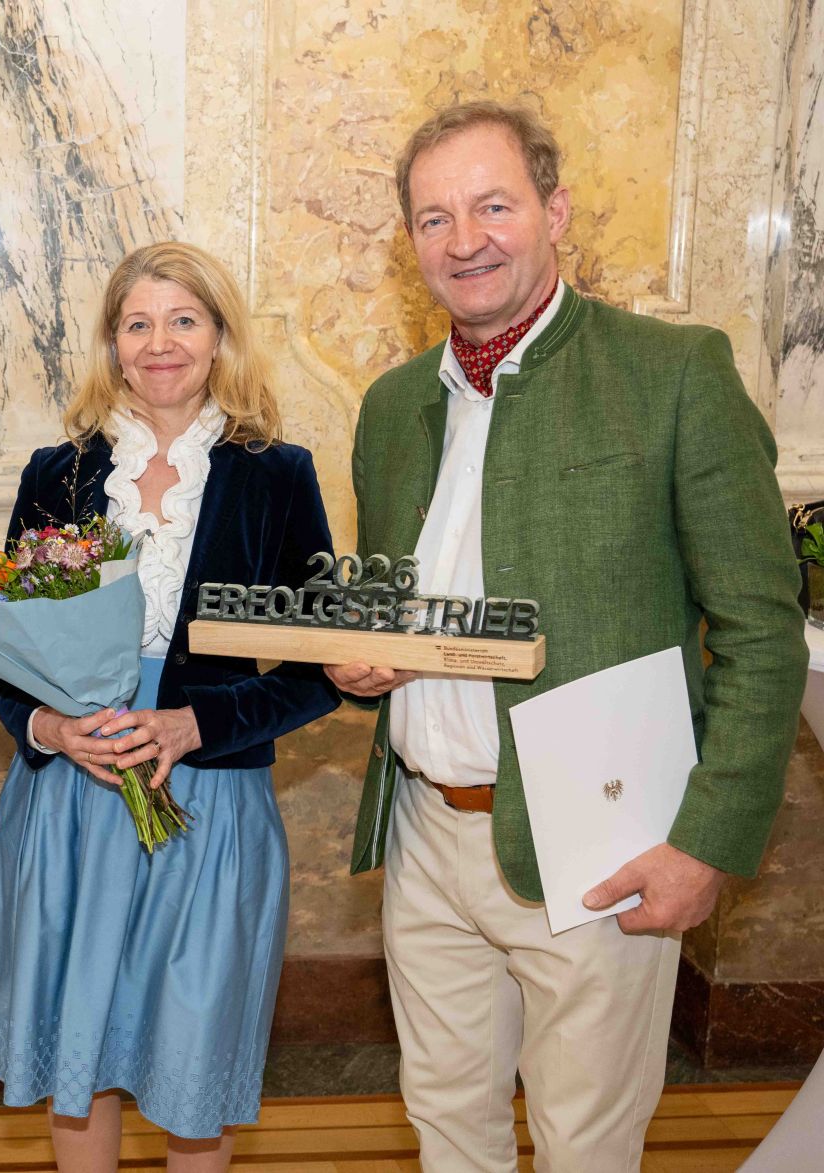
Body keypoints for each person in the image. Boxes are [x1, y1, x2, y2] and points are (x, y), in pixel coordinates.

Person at [327, 101, 807, 1170]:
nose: (463, 240)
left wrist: (704, 845)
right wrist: (357, 659)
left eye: (491, 205)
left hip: (599, 844)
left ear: (553, 210)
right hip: (422, 840)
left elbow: (760, 635)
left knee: (584, 1146)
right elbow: (391, 605)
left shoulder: (670, 374)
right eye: (432, 218)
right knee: (445, 1135)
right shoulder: (391, 406)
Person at [0, 242, 340, 1169]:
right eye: (138, 323)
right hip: (74, 800)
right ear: (113, 344)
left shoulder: (278, 474)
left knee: (190, 1058)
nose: (161, 342)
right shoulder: (57, 473)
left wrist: (196, 724)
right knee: (80, 1057)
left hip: (206, 804)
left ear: (219, 337)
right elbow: (2, 650)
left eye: (184, 320)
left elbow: (322, 666)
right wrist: (48, 728)